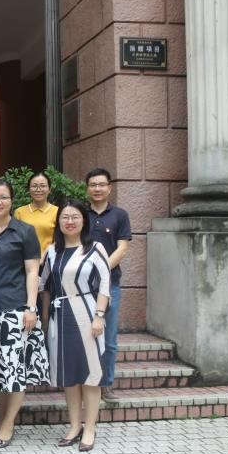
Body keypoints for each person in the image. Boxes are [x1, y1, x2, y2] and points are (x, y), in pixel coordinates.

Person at [0, 179, 49, 448]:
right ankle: (0, 422)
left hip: (15, 309)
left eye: (3, 197)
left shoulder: (25, 231)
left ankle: (7, 426)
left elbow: (32, 271)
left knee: (14, 370)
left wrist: (31, 307)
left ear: (11, 201)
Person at [39, 199, 111, 452]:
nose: (69, 221)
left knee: (90, 374)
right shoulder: (52, 251)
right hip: (60, 317)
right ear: (58, 222)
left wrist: (99, 316)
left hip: (87, 314)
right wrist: (44, 320)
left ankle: (89, 428)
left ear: (84, 221)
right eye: (65, 217)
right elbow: (43, 285)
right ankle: (74, 426)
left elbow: (104, 285)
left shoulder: (95, 248)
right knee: (69, 375)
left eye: (75, 217)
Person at [85, 168, 131, 403]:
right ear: (87, 188)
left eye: (102, 184)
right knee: (84, 336)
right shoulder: (81, 214)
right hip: (82, 286)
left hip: (110, 284)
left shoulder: (120, 215)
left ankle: (106, 384)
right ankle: (85, 383)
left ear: (109, 188)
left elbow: (122, 248)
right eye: (93, 185)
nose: (97, 188)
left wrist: (100, 269)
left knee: (109, 339)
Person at [14, 171, 59, 258]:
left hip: (49, 260)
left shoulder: (57, 212)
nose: (38, 189)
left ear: (49, 189)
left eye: (43, 186)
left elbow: (61, 240)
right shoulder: (19, 212)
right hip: (24, 261)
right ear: (29, 189)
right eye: (34, 186)